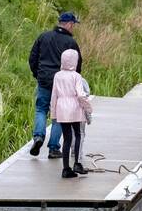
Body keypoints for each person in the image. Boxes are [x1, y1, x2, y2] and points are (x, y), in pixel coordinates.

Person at [28, 12, 82, 158]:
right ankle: (53, 148)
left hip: (44, 80)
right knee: (58, 115)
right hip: (62, 84)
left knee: (41, 109)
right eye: (73, 25)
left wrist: (38, 75)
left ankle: (38, 137)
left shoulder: (43, 36)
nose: (73, 28)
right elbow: (77, 65)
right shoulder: (70, 43)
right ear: (69, 24)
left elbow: (32, 58)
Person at [50, 48, 93, 178]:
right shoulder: (76, 76)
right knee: (78, 134)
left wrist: (53, 113)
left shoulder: (57, 76)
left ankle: (66, 168)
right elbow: (80, 95)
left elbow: (54, 95)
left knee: (67, 138)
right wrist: (88, 108)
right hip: (74, 107)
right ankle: (77, 163)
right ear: (75, 61)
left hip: (61, 108)